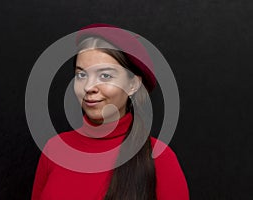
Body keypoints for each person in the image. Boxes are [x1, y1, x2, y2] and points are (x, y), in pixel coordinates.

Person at [31, 24, 189, 200]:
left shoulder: (160, 159)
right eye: (81, 75)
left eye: (105, 75)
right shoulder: (55, 150)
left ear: (133, 85)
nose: (89, 87)